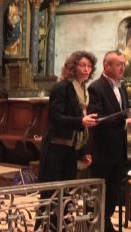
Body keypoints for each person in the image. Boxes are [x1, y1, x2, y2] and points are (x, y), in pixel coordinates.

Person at [87, 50, 131, 232]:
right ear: (107, 66)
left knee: (113, 190)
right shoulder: (96, 88)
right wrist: (126, 121)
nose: (123, 67)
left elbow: (125, 112)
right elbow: (98, 118)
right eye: (118, 64)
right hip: (102, 148)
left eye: (123, 64)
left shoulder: (121, 87)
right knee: (99, 189)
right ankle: (92, 225)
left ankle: (106, 224)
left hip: (118, 148)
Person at [38, 50, 99, 184]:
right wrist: (81, 121)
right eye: (83, 65)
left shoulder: (83, 89)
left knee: (67, 191)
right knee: (52, 191)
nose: (86, 69)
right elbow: (56, 116)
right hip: (56, 146)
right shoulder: (62, 87)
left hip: (72, 148)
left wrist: (83, 152)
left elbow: (80, 126)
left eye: (89, 66)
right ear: (73, 67)